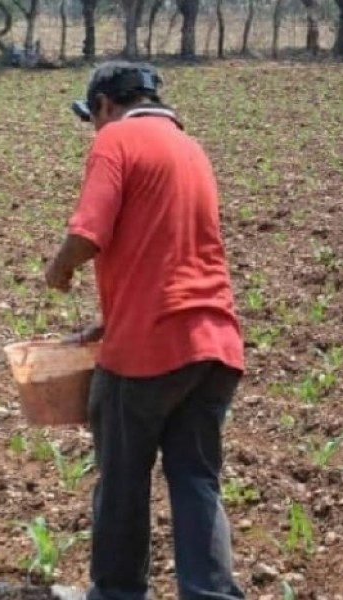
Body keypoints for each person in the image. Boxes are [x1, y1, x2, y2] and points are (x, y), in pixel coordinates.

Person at [45, 61, 246, 600]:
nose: (95, 127)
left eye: (93, 117)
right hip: (214, 342)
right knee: (195, 478)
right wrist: (113, 318)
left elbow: (88, 231)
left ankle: (117, 592)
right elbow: (173, 255)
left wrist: (58, 268)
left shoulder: (116, 140)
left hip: (147, 352)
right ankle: (211, 593)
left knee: (123, 481)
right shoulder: (191, 149)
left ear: (106, 105)